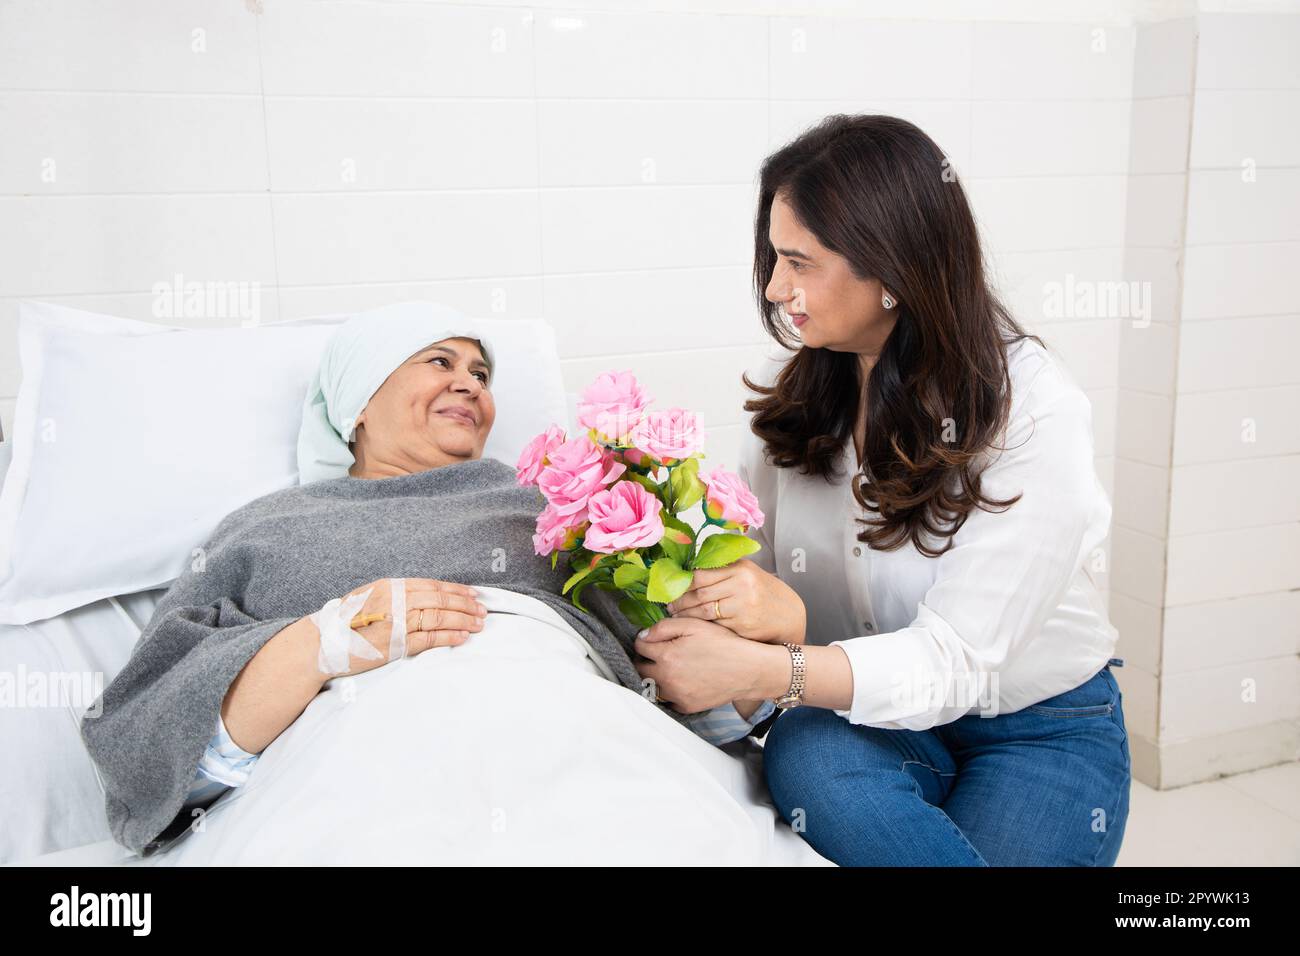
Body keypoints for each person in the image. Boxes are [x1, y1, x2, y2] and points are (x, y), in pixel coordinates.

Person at [80, 302, 803, 862]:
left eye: (481, 374)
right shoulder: (265, 530)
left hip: (576, 732)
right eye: (439, 361)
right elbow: (153, 749)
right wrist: (320, 647)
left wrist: (776, 635)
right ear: (359, 399)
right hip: (363, 759)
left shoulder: (547, 515)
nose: (468, 383)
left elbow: (691, 707)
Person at [634, 115, 1131, 867]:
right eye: (774, 257)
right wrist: (712, 607)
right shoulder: (790, 399)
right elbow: (757, 586)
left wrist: (769, 667)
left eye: (800, 262)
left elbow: (955, 663)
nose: (775, 288)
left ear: (893, 269)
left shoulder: (1034, 412)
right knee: (805, 746)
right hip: (868, 719)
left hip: (1037, 723)